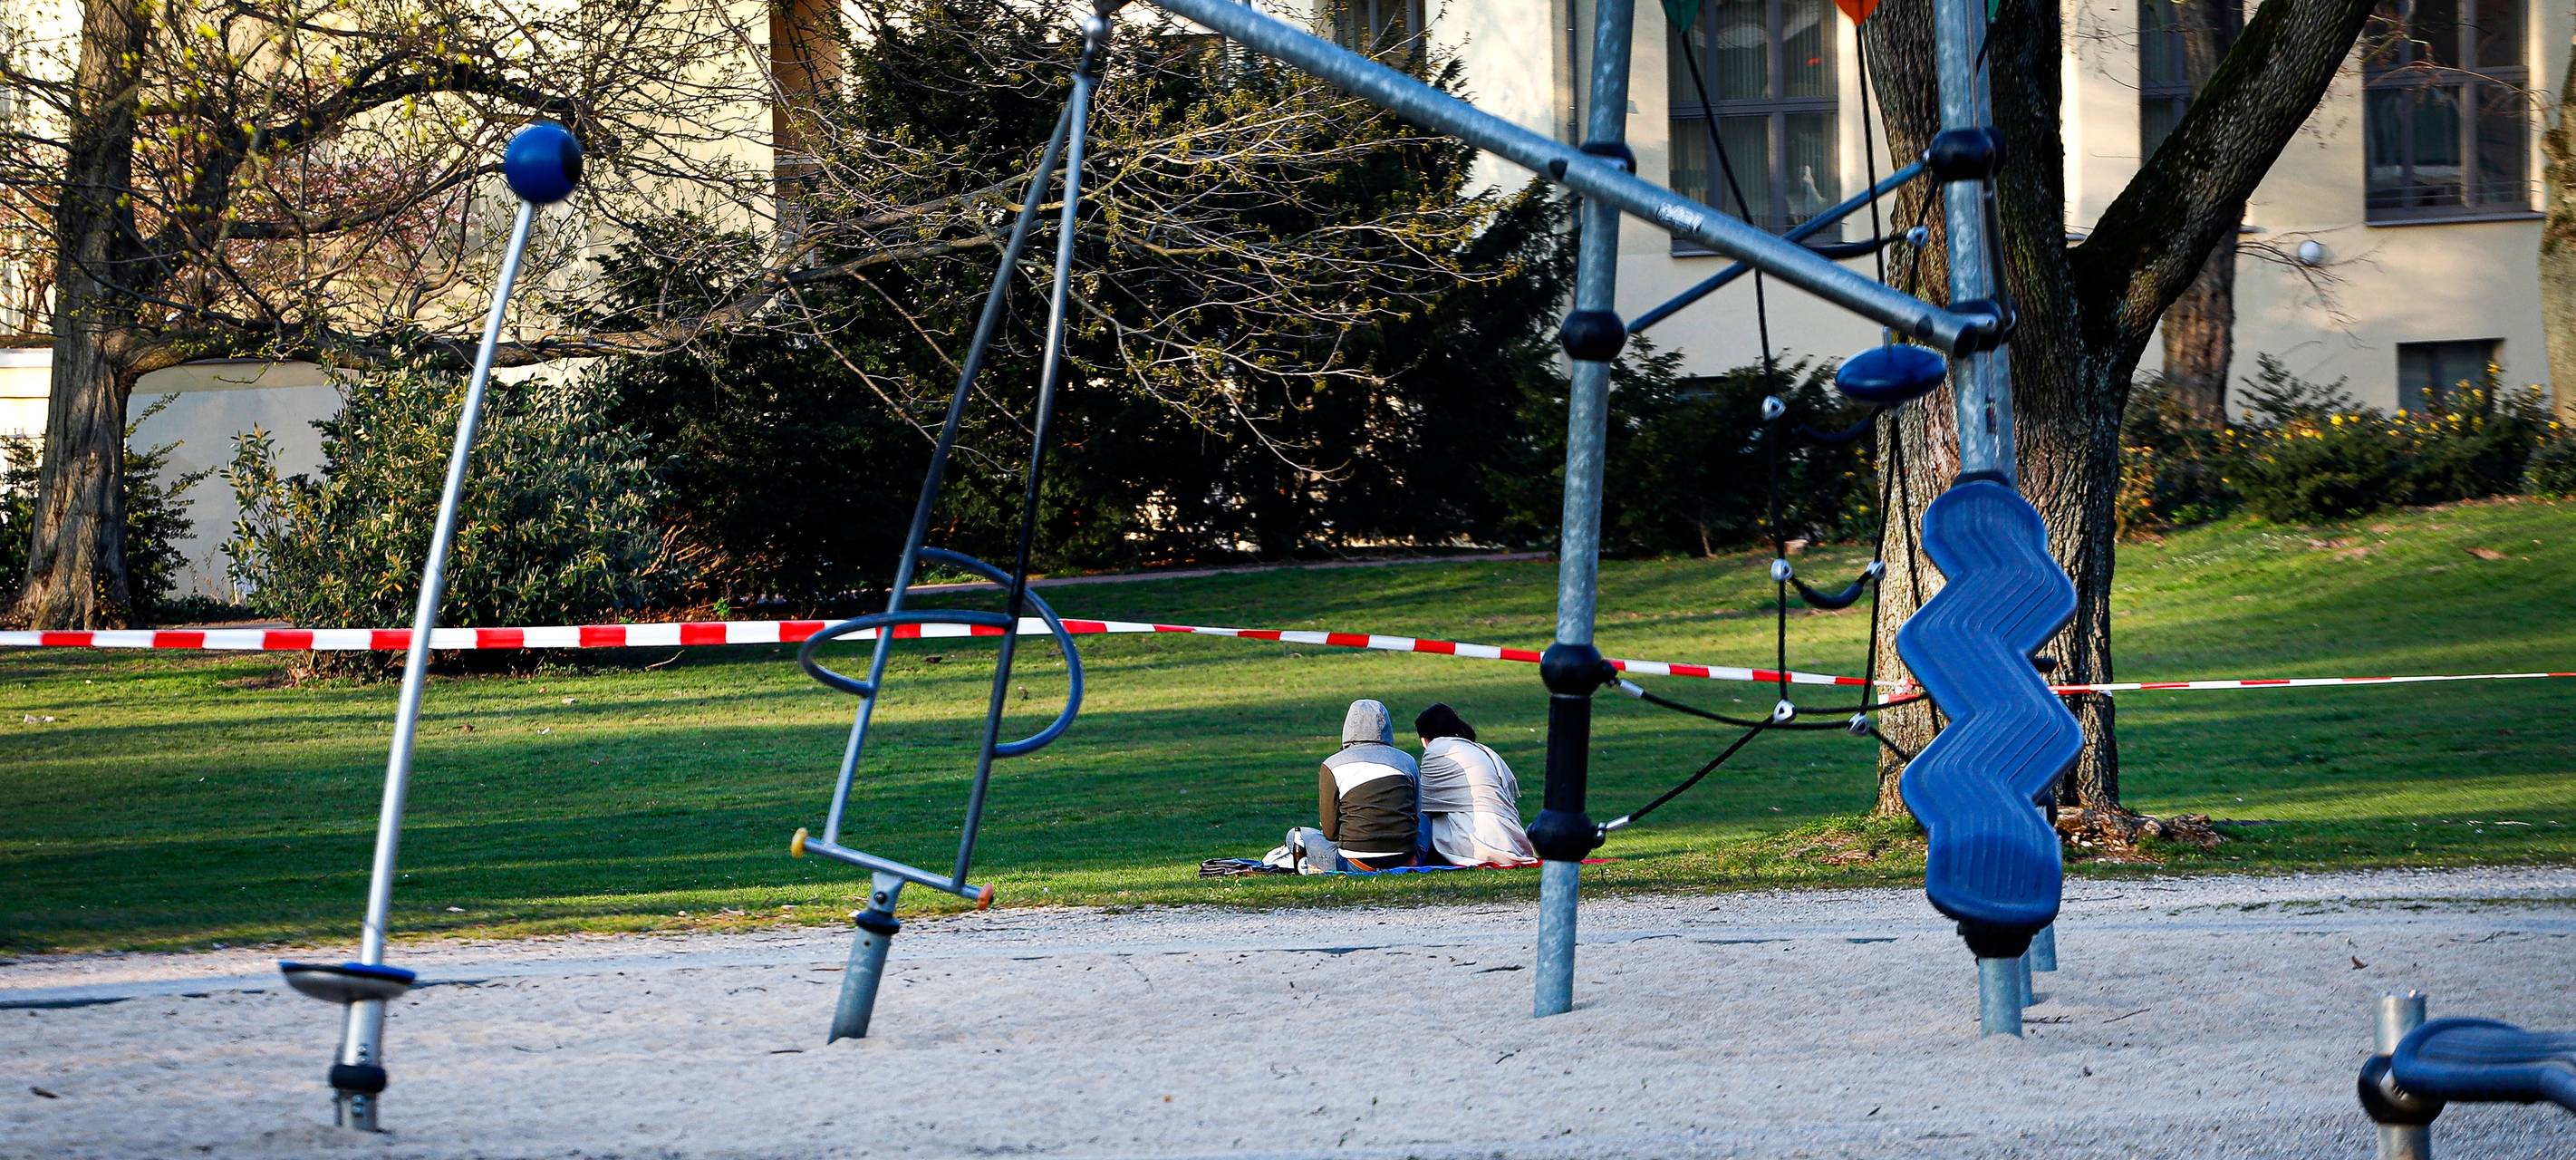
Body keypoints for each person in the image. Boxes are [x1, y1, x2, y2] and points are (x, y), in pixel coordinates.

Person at [1413, 703, 1536, 866]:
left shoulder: (1436, 750)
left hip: (1477, 844)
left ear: (1424, 737)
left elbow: (1425, 807)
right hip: (1512, 841)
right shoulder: (1480, 749)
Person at [1316, 699, 1421, 871]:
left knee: (1296, 836)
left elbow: (1330, 832)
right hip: (1404, 857)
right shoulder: (1407, 761)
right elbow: (1416, 816)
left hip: (1357, 861)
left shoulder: (1332, 764)